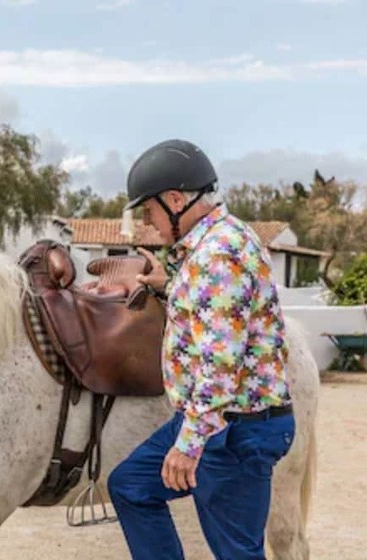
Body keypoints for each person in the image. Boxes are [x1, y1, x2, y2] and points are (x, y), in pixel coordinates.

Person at [106, 139, 295, 560]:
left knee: (236, 553)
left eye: (150, 210)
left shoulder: (217, 255)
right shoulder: (214, 245)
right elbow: (215, 311)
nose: (149, 223)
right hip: (216, 420)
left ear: (176, 199)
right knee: (131, 486)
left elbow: (221, 366)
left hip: (233, 426)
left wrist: (188, 446)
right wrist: (169, 284)